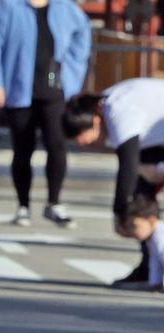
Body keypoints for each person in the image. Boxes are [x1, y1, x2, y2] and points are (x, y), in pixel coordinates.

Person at [0, 0, 92, 228]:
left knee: (57, 144)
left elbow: (83, 33)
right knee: (23, 149)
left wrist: (73, 72)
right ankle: (23, 205)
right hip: (19, 87)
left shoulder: (64, 7)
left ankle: (54, 202)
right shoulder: (9, 6)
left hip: (54, 87)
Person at [63, 78, 164, 287]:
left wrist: (120, 210)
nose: (86, 147)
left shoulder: (118, 111)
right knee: (140, 188)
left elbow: (128, 162)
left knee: (137, 188)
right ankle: (148, 268)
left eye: (89, 141)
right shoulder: (109, 104)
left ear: (96, 122)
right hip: (157, 139)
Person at [116, 193, 164, 293]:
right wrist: (154, 283)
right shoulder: (152, 238)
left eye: (135, 226)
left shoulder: (160, 236)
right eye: (130, 227)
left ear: (151, 221)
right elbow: (155, 262)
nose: (132, 231)